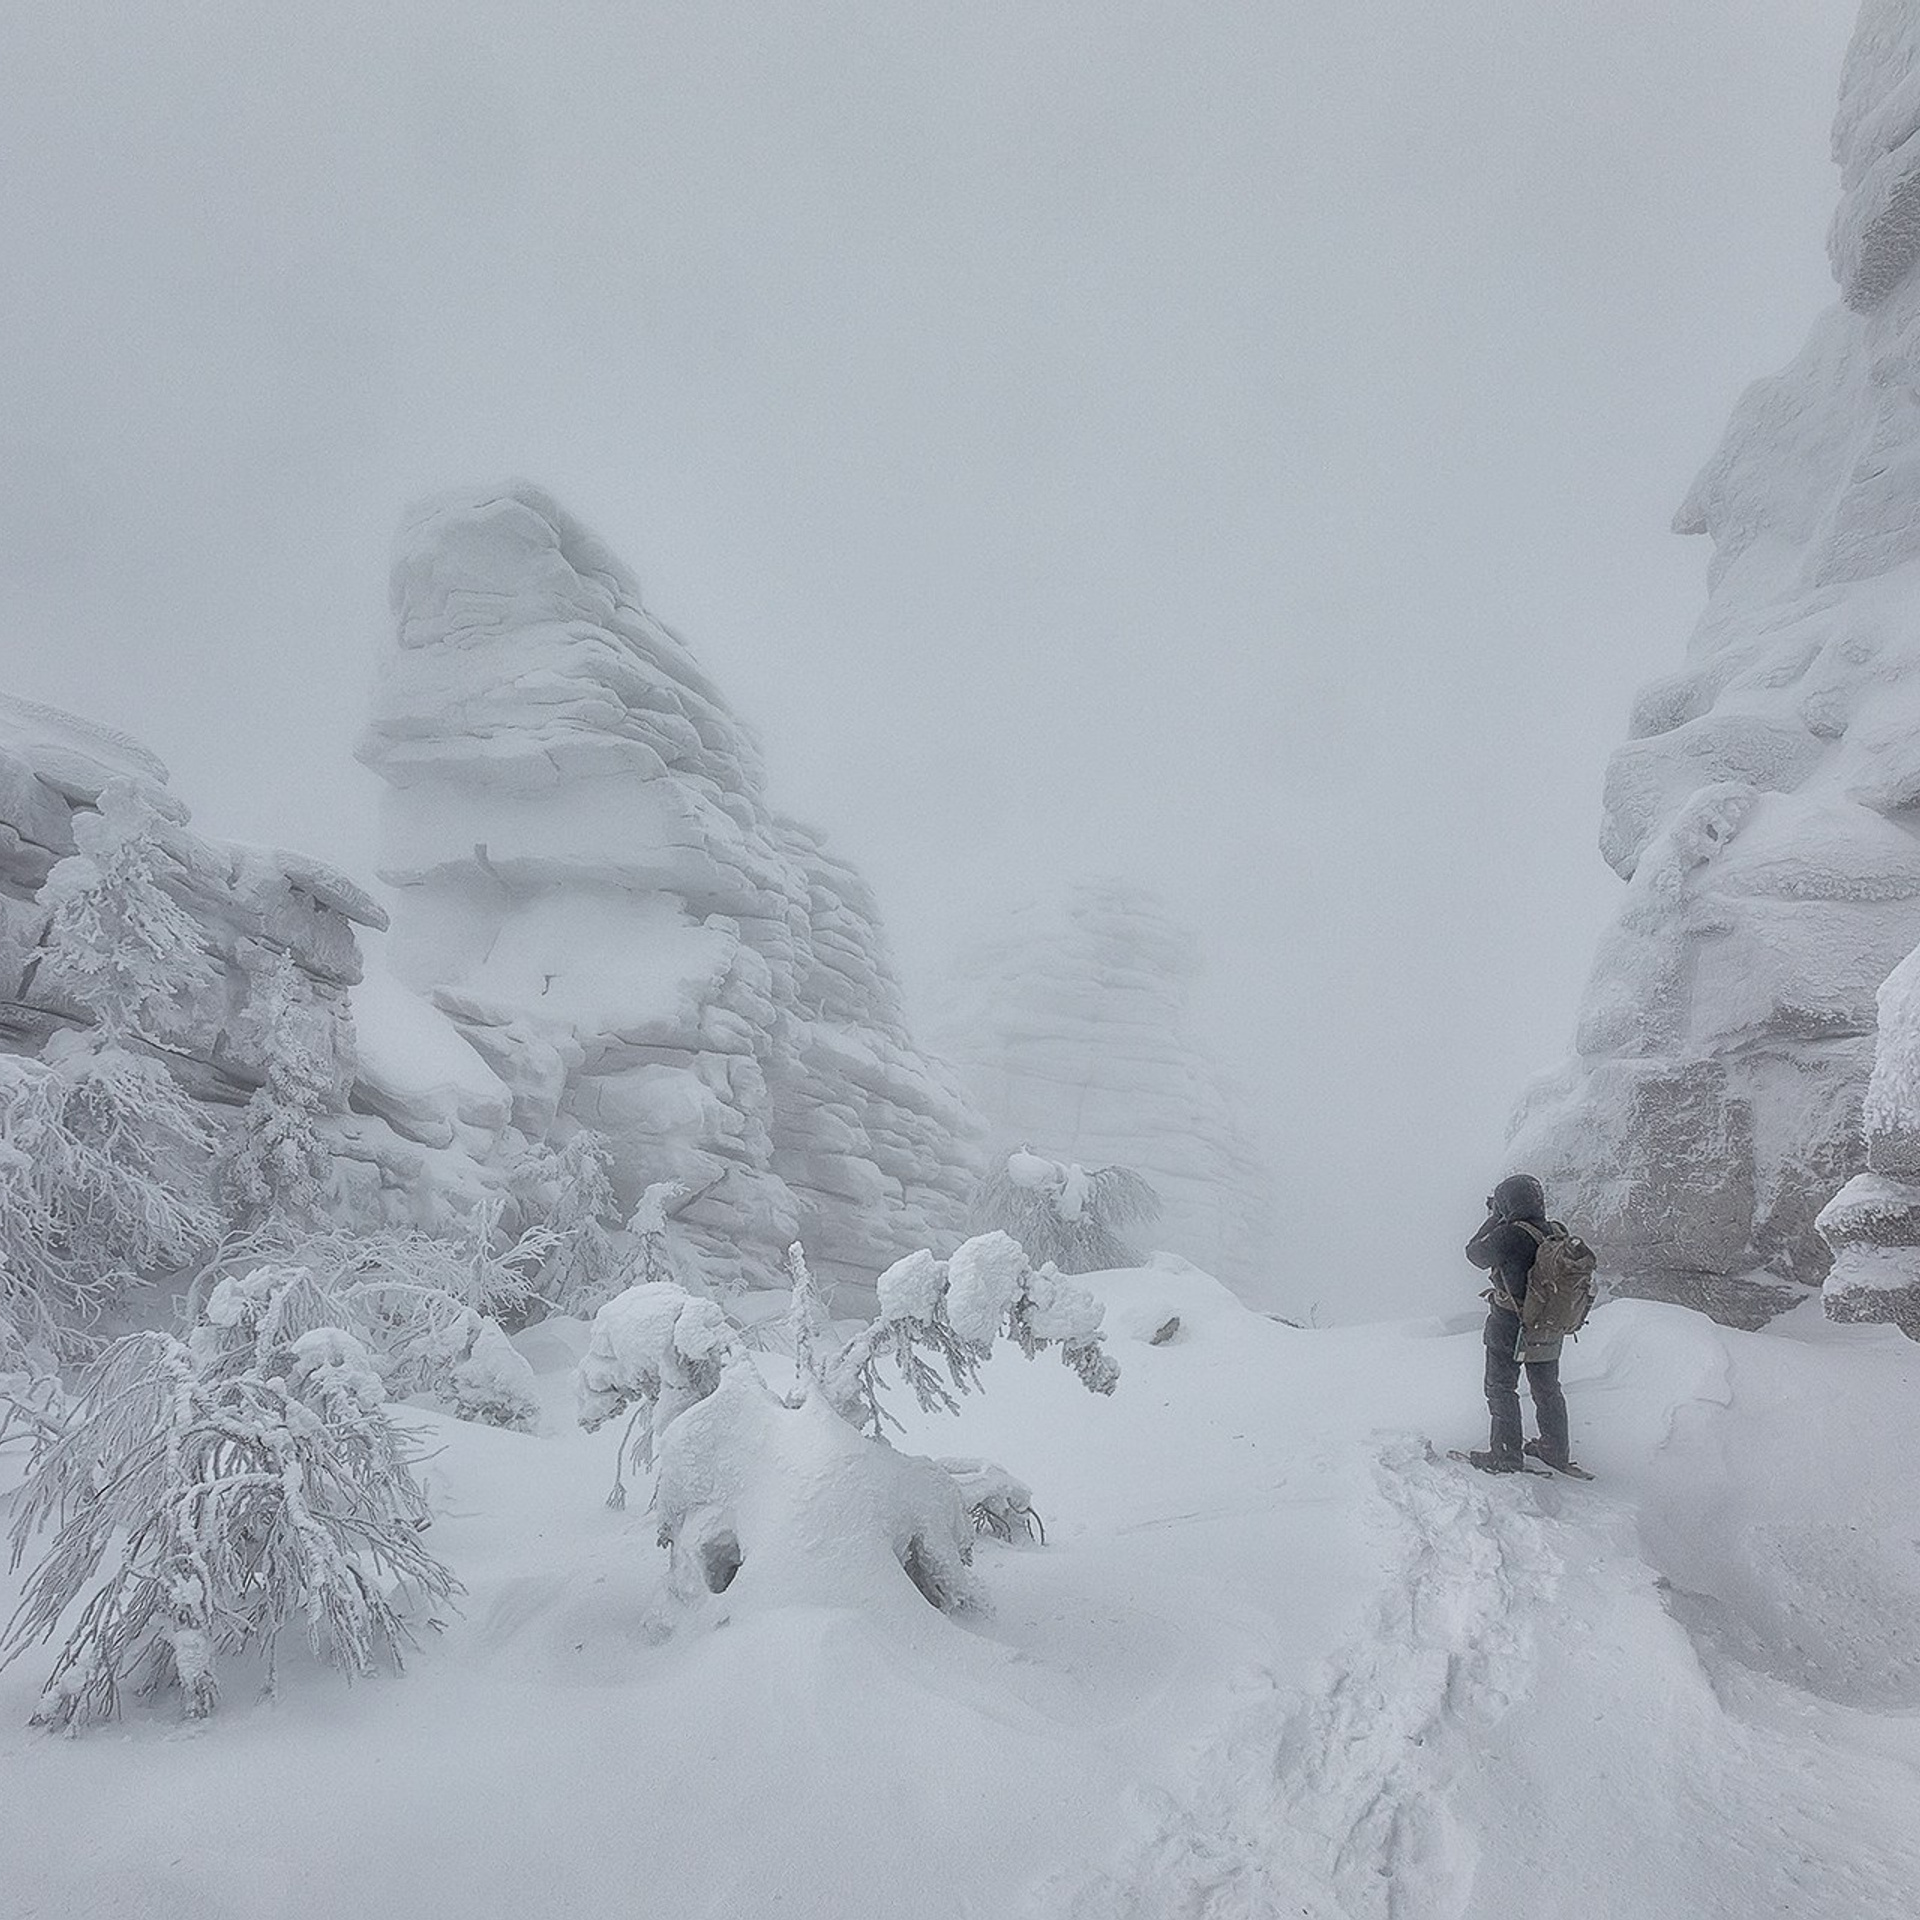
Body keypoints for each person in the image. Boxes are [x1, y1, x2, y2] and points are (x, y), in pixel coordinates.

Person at [1464, 1172, 1573, 1473]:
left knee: (1500, 1388)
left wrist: (1494, 1218)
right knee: (1547, 1388)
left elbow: (1474, 1253)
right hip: (1548, 1324)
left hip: (1509, 1323)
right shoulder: (1554, 1231)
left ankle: (1506, 1455)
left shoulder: (1509, 1234)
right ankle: (1555, 1449)